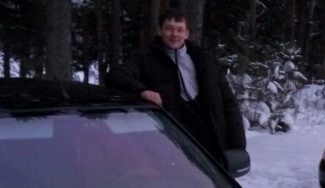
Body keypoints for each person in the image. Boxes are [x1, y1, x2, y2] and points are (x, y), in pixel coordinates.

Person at [105, 9, 246, 166]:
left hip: (212, 142)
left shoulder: (205, 60)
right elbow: (115, 75)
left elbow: (228, 102)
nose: (174, 34)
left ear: (186, 34)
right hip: (171, 143)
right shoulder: (145, 59)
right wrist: (141, 90)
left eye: (179, 29)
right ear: (160, 31)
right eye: (169, 28)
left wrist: (238, 146)